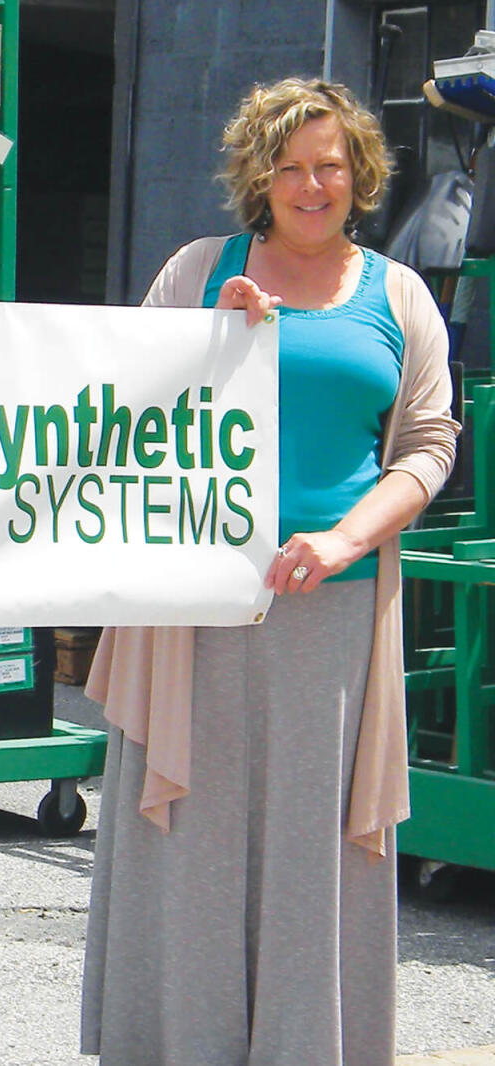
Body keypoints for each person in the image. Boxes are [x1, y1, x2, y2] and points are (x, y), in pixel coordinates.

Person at [80, 78, 458, 1065]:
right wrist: (211, 344)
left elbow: (425, 446)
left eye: (329, 163)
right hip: (192, 610)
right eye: (288, 165)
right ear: (258, 175)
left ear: (359, 174)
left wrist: (343, 541)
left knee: (312, 855)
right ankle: (181, 1045)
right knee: (190, 843)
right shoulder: (197, 273)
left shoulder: (398, 294)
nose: (310, 183)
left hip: (331, 615)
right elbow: (116, 416)